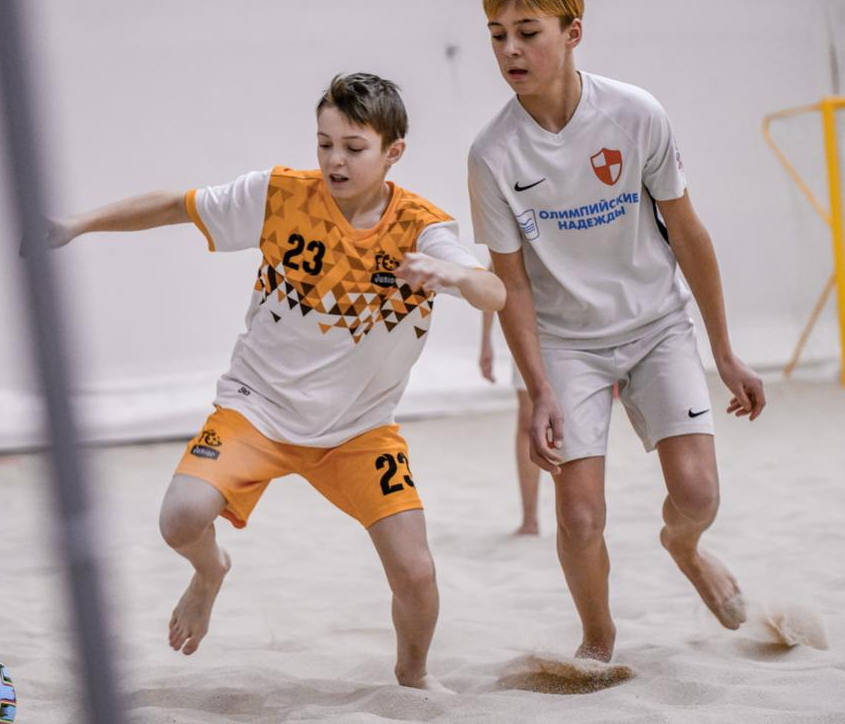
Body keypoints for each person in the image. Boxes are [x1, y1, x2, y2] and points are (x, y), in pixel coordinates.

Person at [47, 73, 504, 689]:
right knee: (180, 519)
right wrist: (77, 223)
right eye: (324, 143)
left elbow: (493, 291)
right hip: (257, 409)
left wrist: (453, 276)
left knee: (416, 574)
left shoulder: (422, 230)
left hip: (358, 431)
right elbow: (176, 205)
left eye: (354, 147)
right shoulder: (278, 194)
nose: (335, 160)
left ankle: (413, 677)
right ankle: (210, 572)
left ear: (393, 151)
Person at [467, 0, 766, 663]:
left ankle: (683, 548)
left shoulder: (635, 113)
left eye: (527, 32)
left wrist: (724, 351)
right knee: (578, 516)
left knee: (697, 495)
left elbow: (687, 233)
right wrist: (537, 389)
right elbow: (509, 282)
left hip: (656, 325)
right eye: (497, 34)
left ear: (572, 32)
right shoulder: (491, 154)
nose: (509, 50)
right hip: (566, 343)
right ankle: (597, 640)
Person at [478, 310, 540, 536]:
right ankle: (530, 520)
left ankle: (579, 513)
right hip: (528, 329)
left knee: (570, 423)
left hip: (572, 328)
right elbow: (497, 286)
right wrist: (486, 340)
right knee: (529, 422)